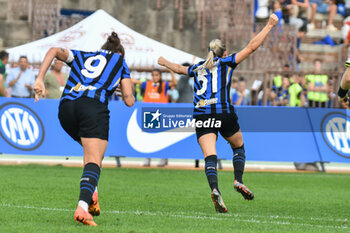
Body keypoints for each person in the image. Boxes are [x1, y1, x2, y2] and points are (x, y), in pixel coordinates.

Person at [157, 14, 279, 213]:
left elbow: (179, 69)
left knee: (209, 156)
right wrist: (269, 26)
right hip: (223, 112)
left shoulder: (197, 68)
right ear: (224, 53)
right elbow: (252, 47)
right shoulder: (227, 62)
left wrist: (164, 62)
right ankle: (238, 180)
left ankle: (215, 189)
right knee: (238, 146)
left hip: (202, 114)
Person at [33, 32, 135, 226]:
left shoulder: (84, 55)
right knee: (95, 159)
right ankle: (82, 207)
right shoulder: (120, 62)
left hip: (66, 109)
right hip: (92, 107)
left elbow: (54, 50)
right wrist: (122, 89)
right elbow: (129, 101)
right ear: (120, 53)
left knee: (92, 153)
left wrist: (39, 79)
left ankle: (92, 194)